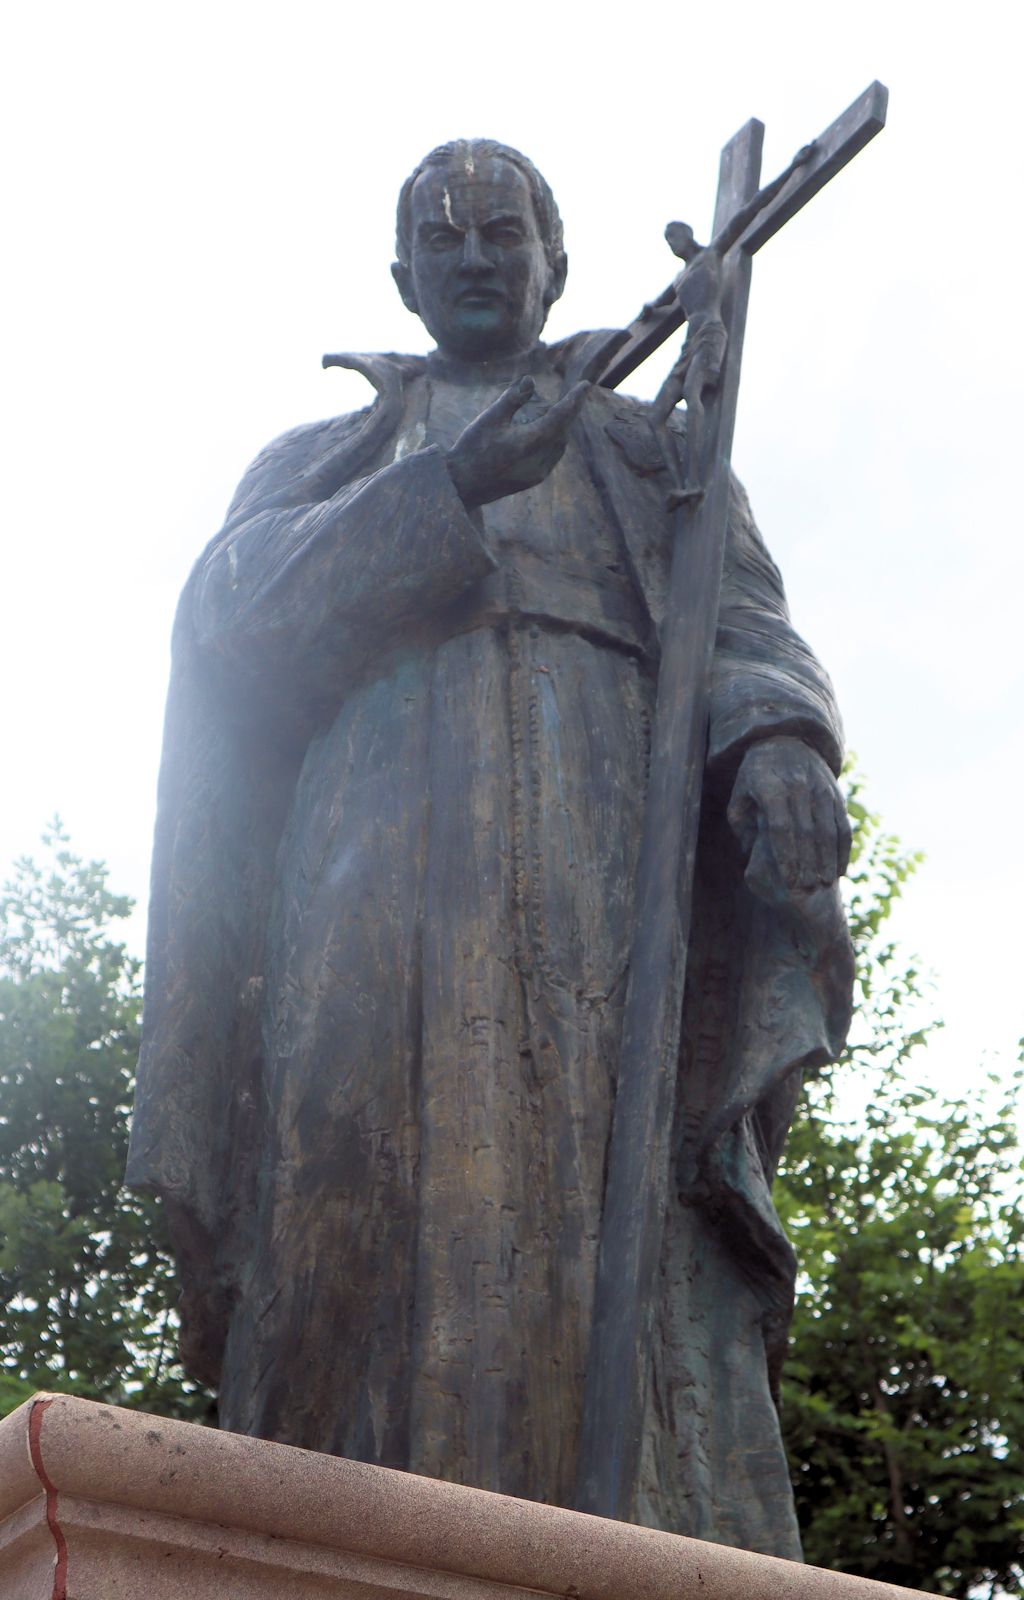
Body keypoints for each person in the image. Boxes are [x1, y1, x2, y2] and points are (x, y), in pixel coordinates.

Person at [128, 138, 853, 1558]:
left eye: (500, 232)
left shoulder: (649, 452)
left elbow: (745, 621)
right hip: (365, 874)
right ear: (402, 276)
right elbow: (228, 619)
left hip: (599, 871)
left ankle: (620, 1530)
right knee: (349, 1198)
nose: (472, 256)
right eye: (443, 237)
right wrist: (446, 488)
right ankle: (335, 1539)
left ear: (554, 263)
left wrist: (778, 738)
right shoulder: (327, 456)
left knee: (603, 1203)